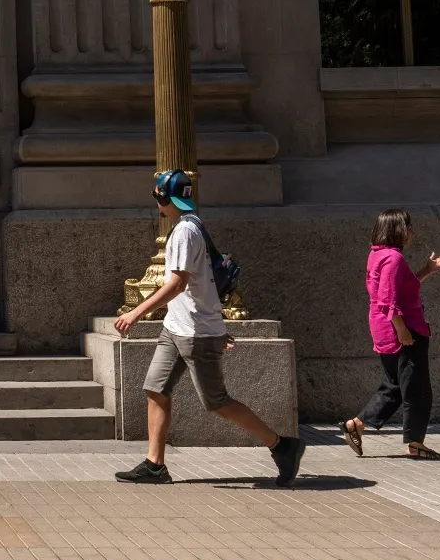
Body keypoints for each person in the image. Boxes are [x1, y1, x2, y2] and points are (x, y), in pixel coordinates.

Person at [111, 170, 304, 487]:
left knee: (217, 402)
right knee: (155, 389)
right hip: (176, 328)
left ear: (164, 199)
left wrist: (137, 312)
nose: (156, 204)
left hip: (195, 334)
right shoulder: (188, 226)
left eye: (157, 197)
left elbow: (177, 283)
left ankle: (282, 446)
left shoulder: (185, 232)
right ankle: (154, 464)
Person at [342, 208, 440, 460]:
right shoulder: (393, 258)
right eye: (408, 226)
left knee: (395, 386)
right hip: (403, 329)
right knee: (417, 388)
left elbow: (400, 288)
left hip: (386, 328)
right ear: (397, 230)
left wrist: (427, 270)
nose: (412, 231)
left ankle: (356, 425)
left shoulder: (378, 255)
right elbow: (387, 299)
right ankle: (415, 443)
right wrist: (402, 330)